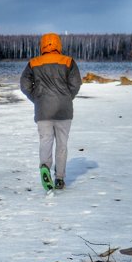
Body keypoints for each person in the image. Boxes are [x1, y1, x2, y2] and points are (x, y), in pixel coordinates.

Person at [19, 32, 82, 190]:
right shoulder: (68, 61)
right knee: (62, 144)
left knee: (45, 141)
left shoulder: (34, 62)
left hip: (43, 111)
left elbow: (24, 85)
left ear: (43, 45)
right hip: (64, 110)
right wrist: (67, 98)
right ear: (58, 44)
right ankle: (59, 178)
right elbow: (76, 84)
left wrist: (37, 99)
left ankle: (45, 167)